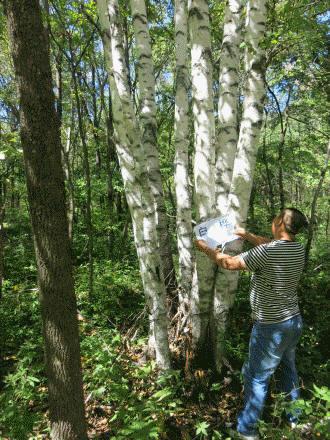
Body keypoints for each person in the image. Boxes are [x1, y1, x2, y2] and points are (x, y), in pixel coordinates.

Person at [195, 207, 309, 440]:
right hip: (292, 321)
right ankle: (294, 420)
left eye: (276, 217)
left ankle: (247, 430)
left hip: (271, 327)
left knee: (256, 377)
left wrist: (207, 249)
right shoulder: (297, 248)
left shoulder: (268, 253)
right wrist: (245, 235)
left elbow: (229, 264)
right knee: (288, 369)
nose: (273, 219)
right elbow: (269, 243)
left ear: (280, 224)